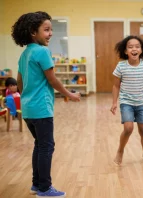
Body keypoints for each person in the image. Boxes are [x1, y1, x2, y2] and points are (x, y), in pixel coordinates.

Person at [12, 11, 81, 197]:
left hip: (27, 108)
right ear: (33, 32)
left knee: (40, 145)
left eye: (51, 29)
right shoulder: (42, 51)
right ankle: (44, 188)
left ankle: (37, 184)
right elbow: (52, 80)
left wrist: (27, 96)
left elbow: (19, 83)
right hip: (41, 108)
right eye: (46, 30)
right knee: (46, 146)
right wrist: (70, 94)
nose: (51, 33)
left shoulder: (25, 54)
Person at [110, 35, 143, 165]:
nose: (134, 49)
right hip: (126, 102)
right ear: (126, 51)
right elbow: (116, 85)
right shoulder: (121, 66)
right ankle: (120, 151)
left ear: (141, 50)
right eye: (130, 47)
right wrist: (114, 102)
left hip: (142, 103)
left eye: (137, 46)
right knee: (128, 128)